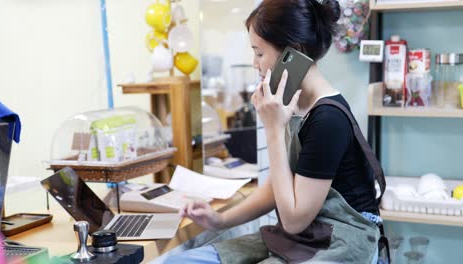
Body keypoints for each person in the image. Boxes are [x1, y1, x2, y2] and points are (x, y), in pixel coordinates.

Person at [164, 0, 384, 263]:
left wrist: (273, 128)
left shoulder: (328, 119)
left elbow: (293, 220)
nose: (254, 64)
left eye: (259, 53)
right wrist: (218, 219)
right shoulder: (295, 104)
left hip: (340, 241)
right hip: (307, 235)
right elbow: (280, 186)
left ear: (293, 53)